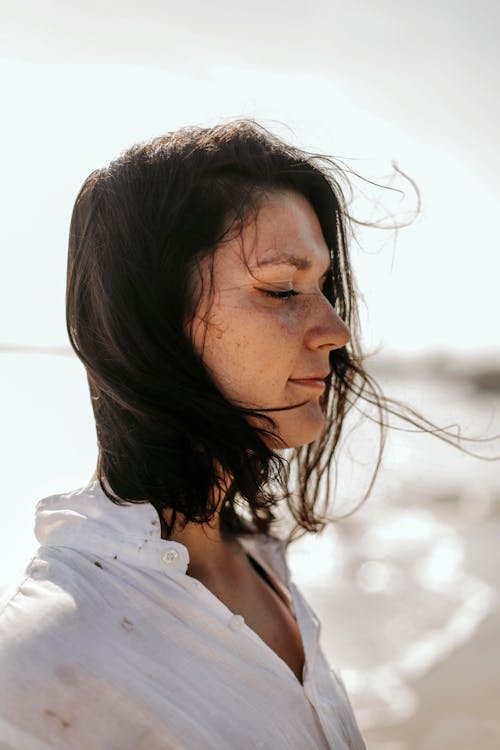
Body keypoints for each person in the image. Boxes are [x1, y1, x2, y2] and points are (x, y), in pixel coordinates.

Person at [0, 119, 383, 749]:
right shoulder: (44, 657)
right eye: (282, 288)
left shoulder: (259, 558)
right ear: (149, 321)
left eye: (322, 286)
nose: (335, 328)